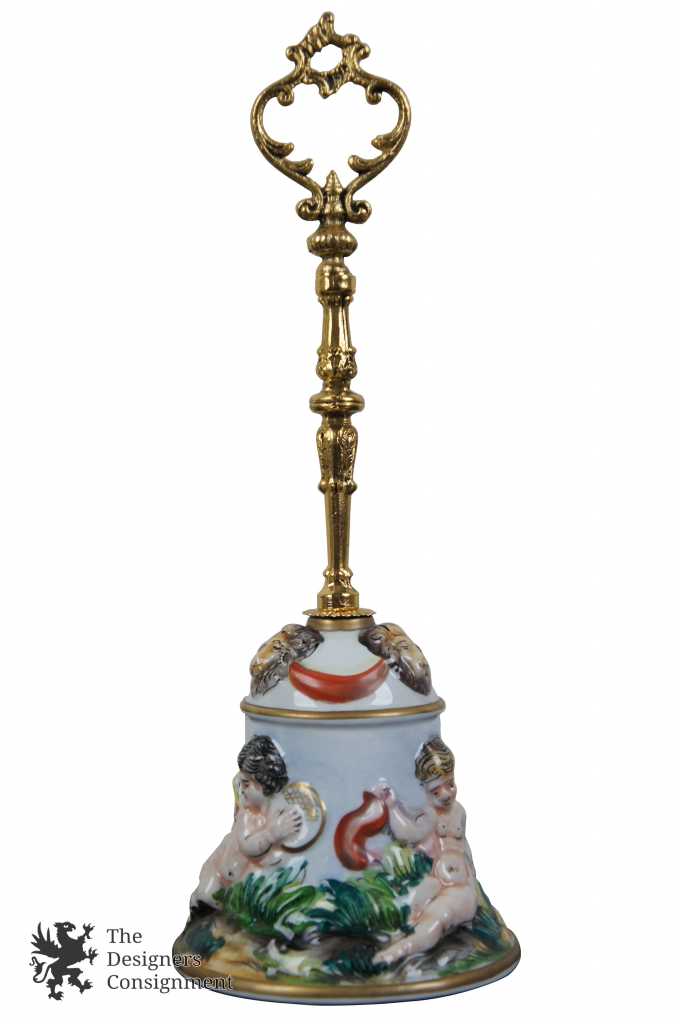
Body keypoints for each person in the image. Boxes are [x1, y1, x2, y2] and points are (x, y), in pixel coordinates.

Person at [373, 736, 479, 964]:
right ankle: (401, 941)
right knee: (418, 909)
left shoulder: (459, 812)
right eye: (436, 791)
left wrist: (474, 880)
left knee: (438, 917)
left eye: (450, 784)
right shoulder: (429, 815)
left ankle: (399, 951)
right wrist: (392, 806)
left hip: (460, 888)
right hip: (437, 883)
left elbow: (465, 850)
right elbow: (407, 833)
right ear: (423, 790)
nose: (446, 794)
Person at [191, 735, 302, 908]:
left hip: (238, 880)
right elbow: (248, 847)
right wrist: (273, 833)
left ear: (264, 783)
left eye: (246, 784)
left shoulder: (275, 812)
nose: (241, 789)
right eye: (242, 783)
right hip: (218, 872)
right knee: (207, 896)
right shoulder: (248, 814)